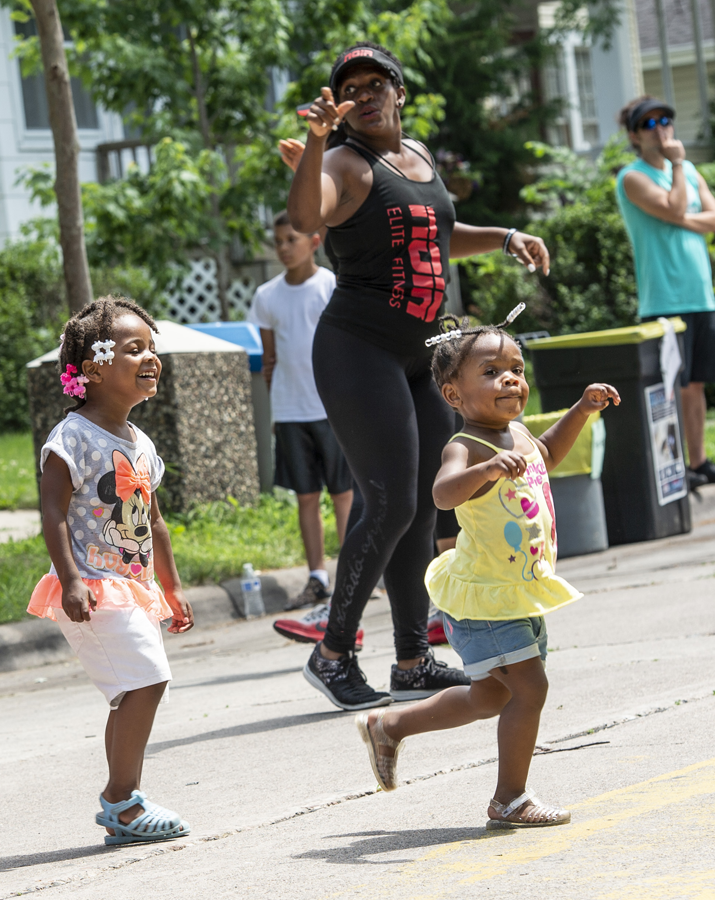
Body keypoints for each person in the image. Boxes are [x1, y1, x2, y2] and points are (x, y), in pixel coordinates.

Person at [286, 41, 552, 710]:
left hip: (422, 354)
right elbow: (304, 217)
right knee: (392, 501)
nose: (367, 93)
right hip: (359, 349)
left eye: (378, 82)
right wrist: (316, 141)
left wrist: (502, 236)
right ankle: (334, 651)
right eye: (354, 86)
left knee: (431, 499)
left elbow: (437, 232)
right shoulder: (345, 161)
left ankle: (413, 658)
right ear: (341, 104)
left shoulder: (421, 157)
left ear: (399, 92)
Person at [355, 315, 618, 828]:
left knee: (492, 695)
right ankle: (510, 799)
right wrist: (487, 469)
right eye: (491, 370)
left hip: (513, 593)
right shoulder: (468, 446)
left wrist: (581, 411)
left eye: (516, 369)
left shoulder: (516, 432)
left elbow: (547, 455)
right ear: (453, 394)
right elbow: (442, 493)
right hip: (484, 597)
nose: (510, 379)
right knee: (530, 689)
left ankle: (390, 725)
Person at [31, 297, 196, 847]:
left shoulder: (141, 443)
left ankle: (123, 800)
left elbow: (155, 520)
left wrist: (170, 586)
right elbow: (51, 509)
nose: (151, 358)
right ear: (95, 369)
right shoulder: (72, 436)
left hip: (132, 589)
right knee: (145, 682)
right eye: (135, 349)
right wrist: (72, 577)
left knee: (138, 688)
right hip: (94, 588)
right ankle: (122, 803)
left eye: (152, 348)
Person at [249, 212, 354, 612]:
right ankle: (317, 577)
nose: (283, 248)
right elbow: (270, 358)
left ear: (314, 241)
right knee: (306, 497)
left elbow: (344, 348)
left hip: (332, 408)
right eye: (278, 241)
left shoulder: (331, 285)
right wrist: (278, 409)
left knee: (343, 494)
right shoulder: (267, 296)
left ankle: (351, 572)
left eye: (290, 239)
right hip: (292, 412)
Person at [614, 96, 715, 487]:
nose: (660, 129)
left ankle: (698, 463)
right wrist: (675, 167)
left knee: (695, 386)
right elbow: (676, 209)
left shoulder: (689, 170)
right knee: (668, 389)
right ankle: (672, 472)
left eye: (665, 120)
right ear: (635, 136)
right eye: (649, 124)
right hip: (664, 300)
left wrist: (684, 213)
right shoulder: (633, 177)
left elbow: (712, 220)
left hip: (700, 296)